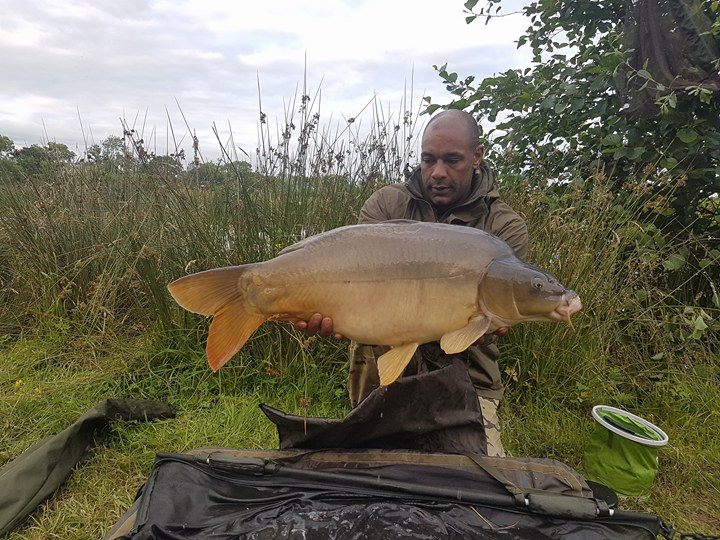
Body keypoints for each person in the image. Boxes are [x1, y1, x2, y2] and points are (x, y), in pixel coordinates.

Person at [295, 109, 528, 457]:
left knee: (478, 487)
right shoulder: (387, 205)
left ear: (477, 156)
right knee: (370, 469)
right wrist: (330, 312)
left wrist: (495, 316)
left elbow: (505, 307)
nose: (438, 173)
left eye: (452, 161)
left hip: (466, 375)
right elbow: (352, 283)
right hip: (382, 365)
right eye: (428, 160)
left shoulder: (504, 226)